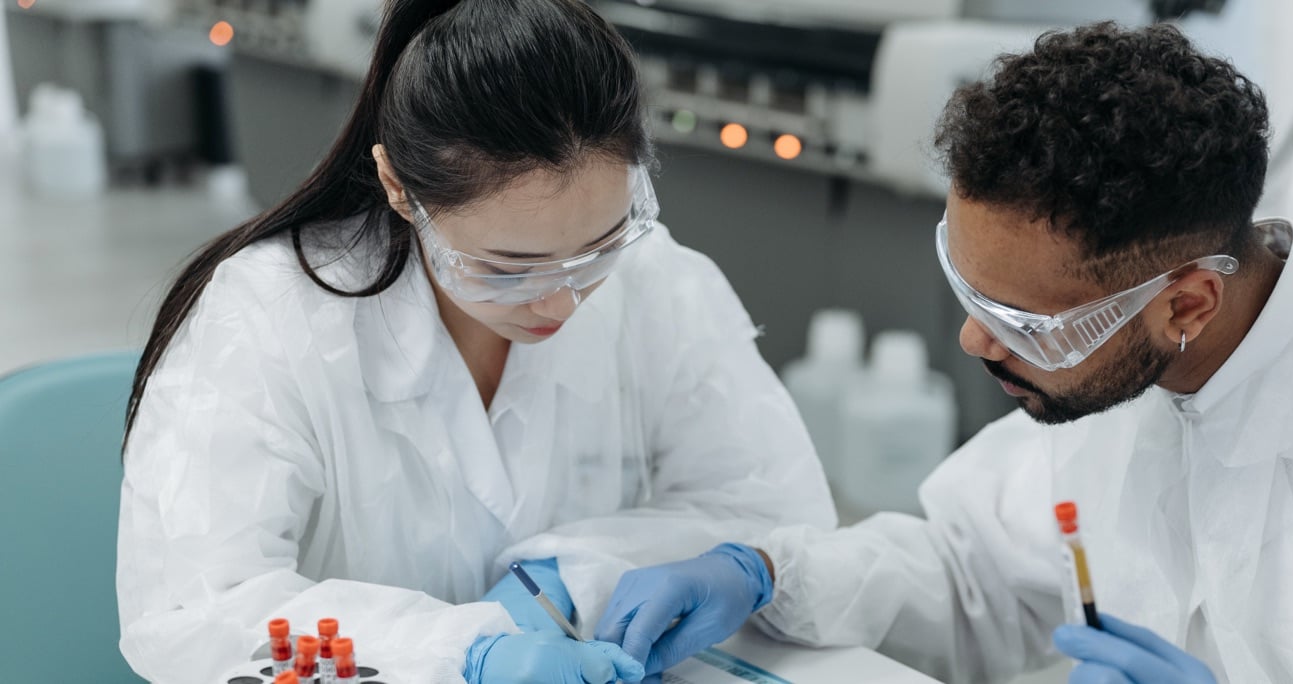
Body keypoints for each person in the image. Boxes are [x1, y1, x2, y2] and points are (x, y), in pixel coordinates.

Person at [592, 22, 1293, 684]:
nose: (977, 340)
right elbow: (967, 573)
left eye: (1022, 322)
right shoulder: (1136, 373)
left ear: (1185, 301)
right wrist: (765, 572)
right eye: (967, 292)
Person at [115, 1, 834, 683]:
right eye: (507, 268)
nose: (560, 301)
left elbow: (776, 514)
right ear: (399, 186)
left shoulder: (660, 283)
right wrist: (464, 654)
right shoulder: (269, 316)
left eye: (599, 247)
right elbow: (194, 611)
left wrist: (574, 572)